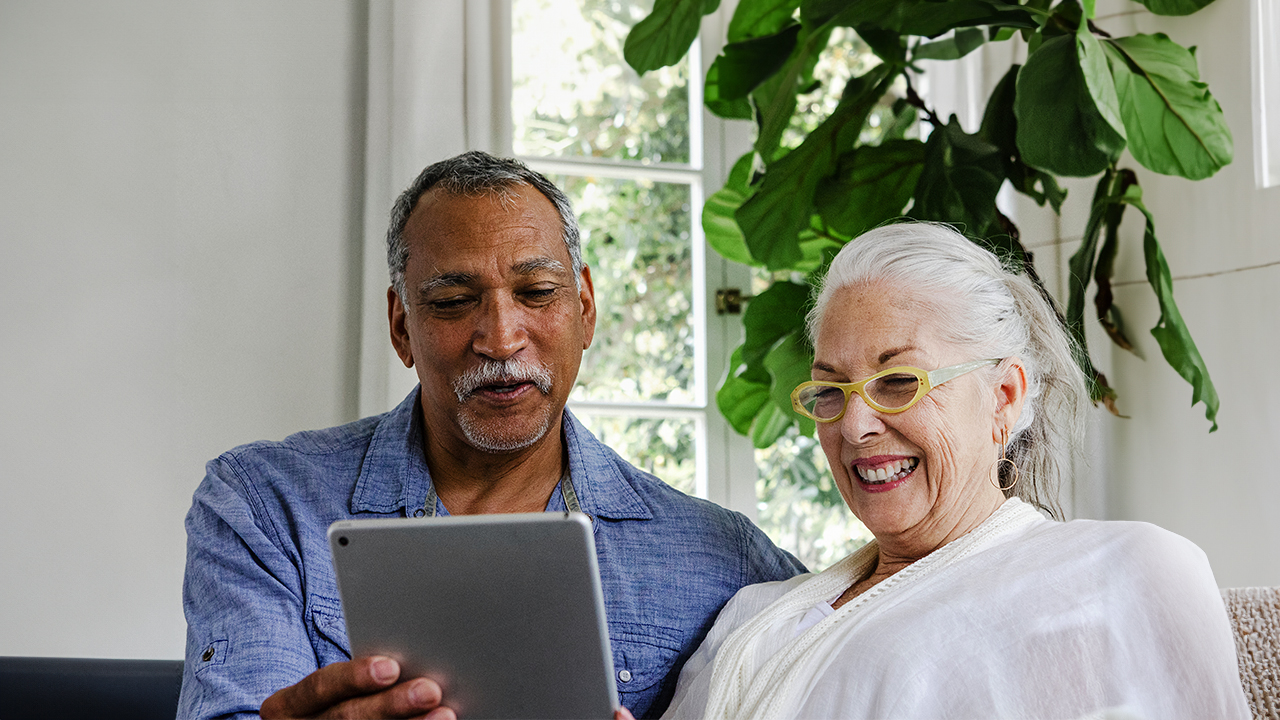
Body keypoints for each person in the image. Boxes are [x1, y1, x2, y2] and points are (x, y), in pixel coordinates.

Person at [177, 151, 804, 720]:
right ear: (401, 328)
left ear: (585, 308)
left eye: (536, 292)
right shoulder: (262, 506)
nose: (502, 339)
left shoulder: (723, 557)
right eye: (452, 301)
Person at [654, 222, 1249, 720]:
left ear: (1005, 396)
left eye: (899, 382)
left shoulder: (1122, 572)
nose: (855, 426)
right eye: (831, 390)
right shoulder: (753, 612)